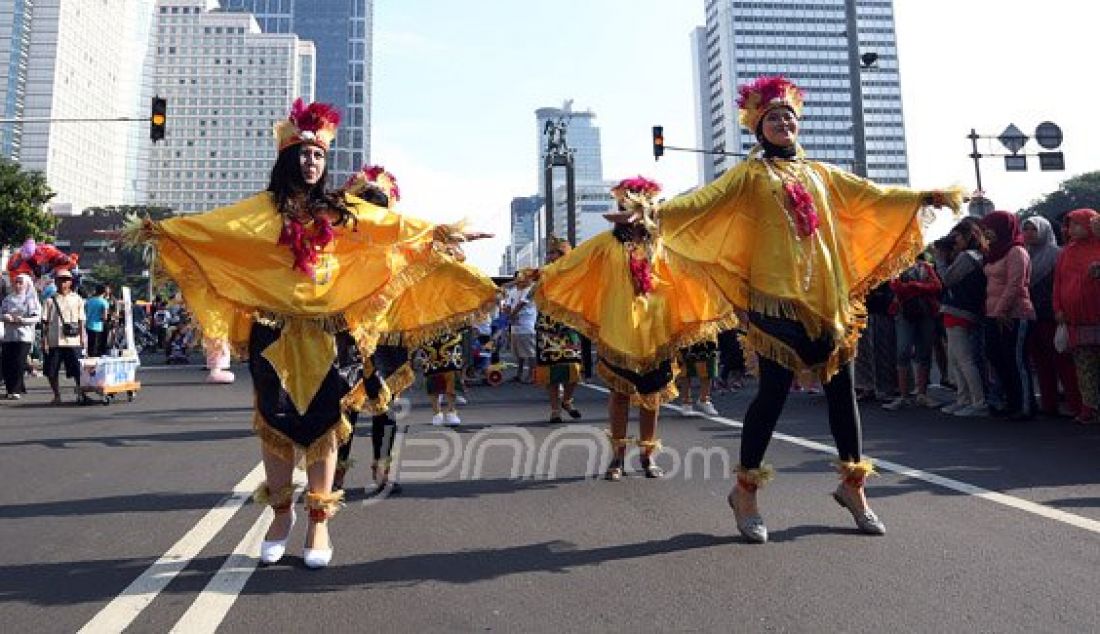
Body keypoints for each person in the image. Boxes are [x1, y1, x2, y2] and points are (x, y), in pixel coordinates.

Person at [120, 99, 497, 568]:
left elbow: (392, 227)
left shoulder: (344, 213)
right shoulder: (260, 213)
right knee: (274, 425)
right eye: (302, 153)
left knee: (324, 427)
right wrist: (161, 232)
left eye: (319, 155)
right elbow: (213, 230)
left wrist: (442, 232)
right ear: (286, 158)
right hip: (272, 332)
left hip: (328, 333)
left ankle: (318, 521)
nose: (311, 161)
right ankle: (281, 516)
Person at [656, 76, 962, 542]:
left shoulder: (822, 173)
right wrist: (654, 213)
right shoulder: (749, 175)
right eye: (773, 118)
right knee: (773, 393)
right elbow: (702, 202)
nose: (783, 122)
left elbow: (871, 195)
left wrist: (923, 196)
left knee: (842, 391)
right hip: (774, 297)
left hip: (826, 296)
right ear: (759, 129)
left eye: (789, 116)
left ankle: (854, 488)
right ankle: (746, 492)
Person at [534, 176, 736, 482]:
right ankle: (616, 457)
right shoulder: (605, 243)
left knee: (651, 397)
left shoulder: (663, 242)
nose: (633, 208)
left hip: (656, 329)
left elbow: (692, 266)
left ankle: (647, 455)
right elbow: (570, 264)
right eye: (626, 203)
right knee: (619, 394)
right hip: (619, 328)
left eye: (640, 202)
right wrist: (538, 273)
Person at [979, 211, 1037, 420]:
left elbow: (1015, 284)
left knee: (1016, 360)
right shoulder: (995, 252)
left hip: (1015, 313)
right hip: (994, 313)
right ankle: (1011, 401)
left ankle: (1025, 406)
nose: (987, 232)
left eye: (990, 228)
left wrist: (1002, 311)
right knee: (996, 356)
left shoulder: (1016, 252)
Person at [1023, 215, 1081, 418]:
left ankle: (1077, 405)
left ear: (1044, 230)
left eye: (1033, 229)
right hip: (1031, 315)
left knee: (1063, 360)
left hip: (1053, 315)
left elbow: (1064, 286)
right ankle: (1049, 404)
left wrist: (1061, 310)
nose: (1029, 233)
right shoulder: (1025, 255)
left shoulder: (1058, 254)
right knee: (1041, 362)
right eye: (1026, 229)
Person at [938, 218, 989, 417]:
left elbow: (947, 279)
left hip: (960, 310)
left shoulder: (968, 257)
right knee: (956, 360)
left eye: (957, 236)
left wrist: (941, 259)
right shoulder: (969, 255)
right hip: (957, 310)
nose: (954, 240)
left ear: (969, 236)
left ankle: (978, 402)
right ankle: (964, 398)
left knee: (964, 360)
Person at [1053, 209, 1100, 424]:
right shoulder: (1066, 252)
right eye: (1069, 225)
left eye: (1076, 224)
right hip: (1076, 320)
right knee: (1084, 367)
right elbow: (1058, 283)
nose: (1070, 229)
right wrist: (1058, 308)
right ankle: (1089, 407)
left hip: (1096, 314)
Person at [532, 237, 584, 423]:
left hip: (569, 325)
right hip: (547, 327)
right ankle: (555, 409)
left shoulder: (575, 274)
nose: (551, 256)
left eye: (555, 253)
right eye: (549, 253)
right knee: (551, 371)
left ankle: (567, 400)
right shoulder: (542, 274)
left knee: (574, 368)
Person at [882, 256, 943, 410]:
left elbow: (937, 286)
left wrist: (912, 286)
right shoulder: (896, 265)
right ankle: (904, 395)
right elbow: (896, 287)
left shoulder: (925, 266)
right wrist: (920, 287)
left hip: (924, 312)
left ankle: (921, 393)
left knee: (924, 351)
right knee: (903, 351)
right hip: (905, 313)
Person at [42, 269, 85, 404]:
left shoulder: (77, 299)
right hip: (55, 340)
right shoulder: (49, 300)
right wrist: (44, 340)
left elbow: (81, 320)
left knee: (78, 370)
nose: (63, 283)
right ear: (55, 282)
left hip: (73, 340)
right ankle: (56, 395)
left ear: (71, 282)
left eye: (66, 280)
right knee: (51, 370)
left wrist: (83, 338)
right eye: (60, 280)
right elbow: (45, 322)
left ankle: (80, 392)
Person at [1, 274, 41, 399]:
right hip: (8, 336)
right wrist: (5, 317)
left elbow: (36, 317)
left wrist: (22, 320)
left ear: (27, 284)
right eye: (16, 282)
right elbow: (1, 313)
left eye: (20, 283)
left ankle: (16, 389)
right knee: (7, 363)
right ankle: (9, 389)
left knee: (19, 362)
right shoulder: (8, 298)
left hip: (24, 336)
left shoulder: (31, 300)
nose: (17, 285)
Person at [503, 271, 537, 382]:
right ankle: (519, 374)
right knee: (519, 354)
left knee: (530, 352)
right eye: (520, 279)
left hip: (527, 326)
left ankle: (532, 375)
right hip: (515, 327)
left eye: (525, 278)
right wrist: (508, 313)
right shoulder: (513, 291)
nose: (523, 281)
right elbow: (508, 305)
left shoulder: (530, 290)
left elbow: (521, 304)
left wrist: (512, 315)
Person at [677, 338, 720, 415]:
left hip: (705, 332)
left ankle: (704, 399)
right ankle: (686, 402)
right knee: (685, 367)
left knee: (707, 364)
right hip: (685, 330)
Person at [84, 284, 111, 358]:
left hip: (88, 324)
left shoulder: (89, 300)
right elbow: (105, 317)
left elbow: (85, 311)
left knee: (90, 345)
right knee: (97, 347)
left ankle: (89, 359)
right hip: (98, 326)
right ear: (104, 292)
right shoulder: (104, 302)